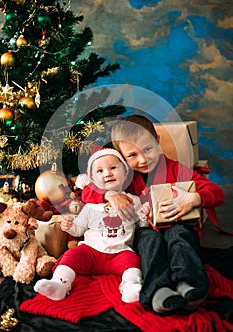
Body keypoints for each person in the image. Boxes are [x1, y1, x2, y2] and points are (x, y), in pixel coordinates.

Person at [81, 114, 224, 314]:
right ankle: (158, 290)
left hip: (176, 224)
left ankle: (189, 283)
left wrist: (195, 198)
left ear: (157, 141)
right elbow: (86, 192)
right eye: (132, 155)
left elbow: (216, 193)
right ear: (121, 156)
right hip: (143, 230)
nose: (142, 159)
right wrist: (110, 194)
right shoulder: (123, 175)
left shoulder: (176, 169)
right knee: (149, 241)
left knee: (180, 235)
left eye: (148, 149)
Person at [34, 148, 150, 303]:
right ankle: (59, 284)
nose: (107, 173)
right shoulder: (90, 205)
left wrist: (147, 212)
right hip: (91, 252)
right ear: (93, 179)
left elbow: (143, 221)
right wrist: (69, 226)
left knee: (133, 262)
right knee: (71, 256)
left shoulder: (133, 201)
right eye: (100, 171)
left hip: (119, 253)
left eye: (113, 168)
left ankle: (130, 286)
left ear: (125, 173)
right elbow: (79, 229)